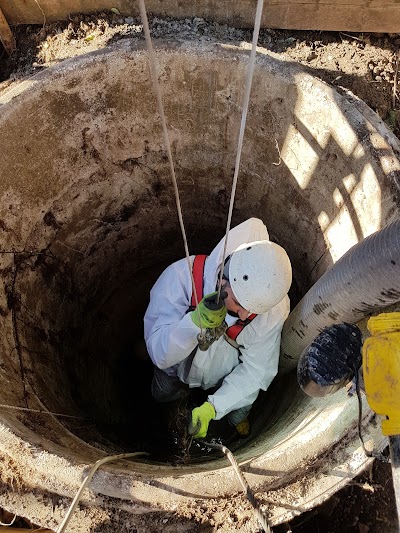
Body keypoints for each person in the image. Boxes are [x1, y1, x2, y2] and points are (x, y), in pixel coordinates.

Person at [144, 218, 292, 439]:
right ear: (223, 281)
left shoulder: (270, 308)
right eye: (241, 305)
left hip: (220, 375)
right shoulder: (181, 279)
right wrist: (194, 323)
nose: (244, 316)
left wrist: (214, 407)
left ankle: (233, 421)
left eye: (253, 310)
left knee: (241, 402)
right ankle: (170, 411)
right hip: (174, 369)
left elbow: (255, 371)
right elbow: (159, 354)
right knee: (163, 393)